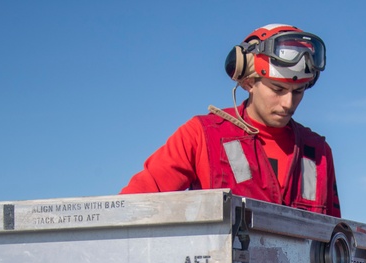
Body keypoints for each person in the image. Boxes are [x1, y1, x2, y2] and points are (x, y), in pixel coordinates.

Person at [120, 24, 341, 217]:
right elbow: (131, 207)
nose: (288, 103)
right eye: (278, 89)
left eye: (298, 91)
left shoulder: (319, 152)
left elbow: (336, 239)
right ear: (248, 82)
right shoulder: (201, 136)